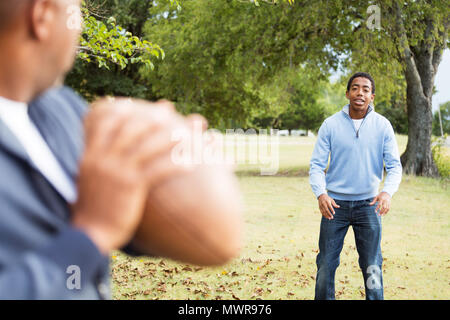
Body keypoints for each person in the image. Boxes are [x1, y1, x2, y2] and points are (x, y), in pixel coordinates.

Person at [0, 0, 242, 299]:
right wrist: (92, 234)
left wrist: (180, 168)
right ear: (42, 15)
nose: (82, 25)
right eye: (75, 9)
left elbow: (130, 217)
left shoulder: (60, 109)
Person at [309, 72, 403, 300]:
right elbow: (316, 165)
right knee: (325, 265)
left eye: (365, 89)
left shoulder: (383, 126)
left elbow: (394, 166)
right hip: (334, 207)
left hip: (369, 206)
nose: (360, 93)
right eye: (355, 88)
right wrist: (321, 194)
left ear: (372, 96)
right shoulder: (330, 124)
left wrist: (387, 193)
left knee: (372, 265)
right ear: (348, 93)